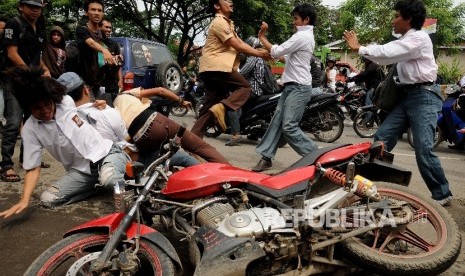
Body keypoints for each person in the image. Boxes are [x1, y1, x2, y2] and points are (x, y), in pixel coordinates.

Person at [343, 0, 453, 206]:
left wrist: (359, 48)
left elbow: (387, 52)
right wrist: (363, 50)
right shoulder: (405, 41)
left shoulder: (418, 38)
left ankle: (442, 195)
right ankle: (375, 185)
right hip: (407, 97)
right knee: (381, 138)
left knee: (423, 148)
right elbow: (386, 56)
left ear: (408, 19)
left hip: (424, 97)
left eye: (396, 16)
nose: (393, 21)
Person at [0, 66, 129, 218]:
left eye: (47, 104)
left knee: (110, 179)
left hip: (106, 153)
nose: (45, 110)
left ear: (52, 99)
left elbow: (80, 96)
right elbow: (33, 168)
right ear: (28, 108)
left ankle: (122, 171)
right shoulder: (30, 130)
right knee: (48, 199)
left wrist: (101, 104)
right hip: (82, 171)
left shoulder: (66, 101)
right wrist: (24, 200)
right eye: (37, 108)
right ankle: (94, 187)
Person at [252, 3, 320, 172]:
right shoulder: (303, 37)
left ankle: (317, 156)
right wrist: (267, 48)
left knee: (289, 126)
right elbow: (285, 57)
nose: (293, 22)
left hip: (299, 88)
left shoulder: (301, 36)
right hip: (292, 87)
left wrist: (262, 38)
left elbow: (277, 51)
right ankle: (266, 158)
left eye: (296, 18)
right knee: (276, 123)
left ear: (306, 20)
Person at [190, 0, 270, 138]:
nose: (231, 1)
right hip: (217, 68)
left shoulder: (228, 24)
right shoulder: (219, 22)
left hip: (210, 70)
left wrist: (263, 51)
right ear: (217, 6)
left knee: (208, 109)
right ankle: (222, 107)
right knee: (245, 88)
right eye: (226, 0)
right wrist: (259, 53)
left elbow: (240, 43)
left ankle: (191, 141)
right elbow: (237, 45)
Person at [0, 0, 50, 183]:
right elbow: (12, 53)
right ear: (21, 6)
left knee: (33, 122)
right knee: (13, 122)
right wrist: (30, 71)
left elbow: (37, 56)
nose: (35, 10)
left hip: (31, 81)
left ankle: (26, 159)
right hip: (14, 79)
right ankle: (6, 165)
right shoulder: (14, 23)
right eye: (31, 7)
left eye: (38, 7)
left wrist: (44, 69)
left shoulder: (40, 26)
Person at [114, 86, 230, 164]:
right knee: (201, 147)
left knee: (160, 161)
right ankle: (235, 176)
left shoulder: (114, 110)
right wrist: (181, 101)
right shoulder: (127, 94)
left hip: (140, 139)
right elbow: (161, 91)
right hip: (155, 123)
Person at [223, 36, 269, 146]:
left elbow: (242, 73)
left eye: (247, 46)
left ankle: (236, 134)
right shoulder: (260, 58)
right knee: (239, 106)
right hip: (257, 90)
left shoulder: (253, 58)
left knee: (231, 105)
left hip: (251, 90)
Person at [75, 0, 114, 97]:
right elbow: (91, 43)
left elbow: (105, 58)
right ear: (86, 12)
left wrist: (114, 59)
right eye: (93, 10)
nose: (97, 13)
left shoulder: (103, 35)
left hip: (100, 84)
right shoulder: (82, 30)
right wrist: (104, 50)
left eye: (100, 10)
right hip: (84, 84)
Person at [349, 56, 383, 123]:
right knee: (365, 100)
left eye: (365, 59)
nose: (364, 61)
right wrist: (353, 80)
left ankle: (368, 122)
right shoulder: (371, 65)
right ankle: (367, 119)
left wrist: (352, 78)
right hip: (371, 87)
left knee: (368, 105)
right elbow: (364, 77)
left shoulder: (373, 65)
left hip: (373, 88)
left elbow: (364, 74)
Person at [99, 18, 123, 105]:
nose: (109, 30)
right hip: (99, 82)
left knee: (112, 106)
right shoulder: (95, 42)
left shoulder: (114, 44)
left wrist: (120, 80)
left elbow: (119, 64)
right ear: (100, 27)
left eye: (110, 28)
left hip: (112, 83)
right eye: (106, 27)